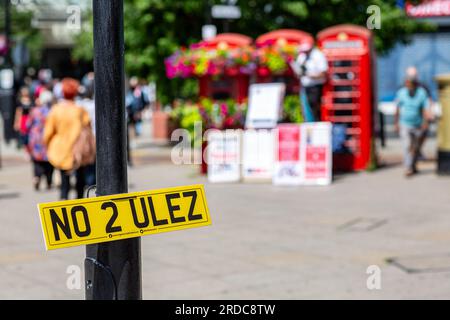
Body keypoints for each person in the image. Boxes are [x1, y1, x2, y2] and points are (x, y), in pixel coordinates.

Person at [44, 78, 92, 200]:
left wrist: (47, 144)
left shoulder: (56, 110)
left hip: (60, 148)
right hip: (78, 149)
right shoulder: (80, 110)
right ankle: (80, 203)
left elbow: (48, 132)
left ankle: (64, 204)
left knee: (64, 181)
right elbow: (88, 128)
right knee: (80, 179)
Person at [394, 75, 429, 177]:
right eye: (408, 84)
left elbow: (425, 108)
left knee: (416, 147)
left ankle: (413, 165)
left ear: (416, 84)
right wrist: (396, 123)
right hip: (404, 124)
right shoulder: (401, 93)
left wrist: (425, 122)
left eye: (412, 84)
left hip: (418, 124)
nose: (410, 87)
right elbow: (397, 108)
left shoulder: (421, 93)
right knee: (407, 145)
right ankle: (408, 167)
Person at [291, 42, 328, 121]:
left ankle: (317, 124)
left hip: (316, 87)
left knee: (315, 107)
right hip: (304, 86)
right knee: (306, 108)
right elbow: (298, 71)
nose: (304, 53)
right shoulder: (302, 56)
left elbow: (323, 73)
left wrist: (309, 74)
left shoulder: (318, 55)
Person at [27, 90, 54, 190]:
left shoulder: (34, 111)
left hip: (36, 138)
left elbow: (28, 124)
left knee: (37, 160)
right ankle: (48, 180)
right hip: (48, 138)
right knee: (49, 161)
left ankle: (37, 177)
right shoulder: (52, 111)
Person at [405, 66, 433, 160]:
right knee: (409, 143)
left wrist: (429, 114)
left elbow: (428, 101)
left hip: (421, 119)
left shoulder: (422, 87)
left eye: (414, 76)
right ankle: (410, 162)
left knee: (421, 137)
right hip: (407, 121)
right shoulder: (404, 87)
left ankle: (417, 152)